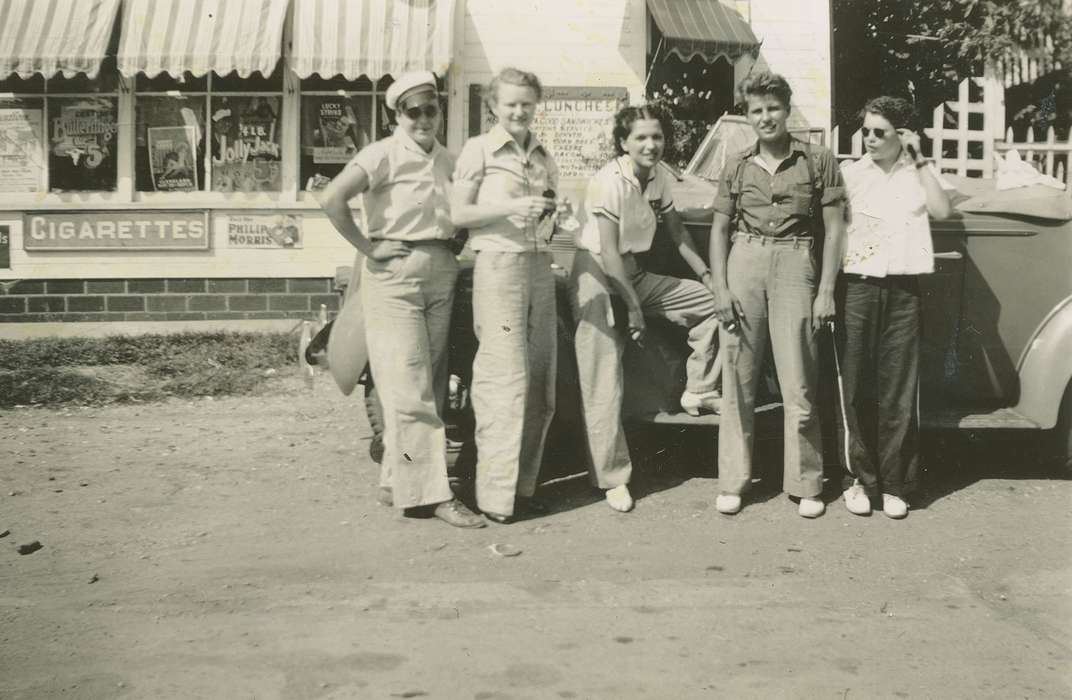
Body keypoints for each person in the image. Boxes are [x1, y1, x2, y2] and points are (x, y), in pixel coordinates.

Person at [319, 71, 485, 529]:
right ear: (397, 114)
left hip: (440, 273)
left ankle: (397, 479)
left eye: (431, 109)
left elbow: (462, 208)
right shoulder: (381, 155)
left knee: (426, 385)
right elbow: (331, 198)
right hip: (395, 278)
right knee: (409, 387)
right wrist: (369, 247)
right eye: (414, 111)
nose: (424, 119)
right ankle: (433, 494)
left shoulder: (447, 159)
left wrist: (457, 237)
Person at [570, 104, 722, 513]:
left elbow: (676, 232)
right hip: (598, 275)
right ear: (623, 142)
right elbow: (609, 251)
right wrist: (634, 309)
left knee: (713, 306)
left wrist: (708, 276)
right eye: (640, 137)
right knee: (604, 375)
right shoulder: (609, 182)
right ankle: (612, 478)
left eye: (656, 137)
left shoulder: (658, 177)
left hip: (633, 273)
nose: (651, 144)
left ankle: (699, 389)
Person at [708, 72, 846, 518]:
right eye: (756, 110)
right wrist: (721, 287)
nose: (765, 117)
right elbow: (719, 229)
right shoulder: (738, 162)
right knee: (739, 378)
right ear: (746, 115)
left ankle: (806, 482)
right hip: (744, 261)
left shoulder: (818, 159)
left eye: (773, 108)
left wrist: (826, 290)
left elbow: (835, 228)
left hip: (796, 262)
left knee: (799, 380)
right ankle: (733, 480)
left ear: (787, 110)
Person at [450, 67, 566, 524]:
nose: (519, 111)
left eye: (527, 104)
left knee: (540, 380)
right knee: (503, 379)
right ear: (493, 107)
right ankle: (494, 498)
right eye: (511, 104)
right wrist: (513, 207)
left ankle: (523, 488)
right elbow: (458, 212)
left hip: (538, 267)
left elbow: (550, 215)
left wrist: (553, 214)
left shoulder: (542, 154)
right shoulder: (479, 150)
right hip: (498, 266)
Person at [835, 96, 953, 519]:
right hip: (857, 289)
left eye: (879, 132)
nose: (869, 139)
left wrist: (919, 157)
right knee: (856, 386)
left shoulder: (918, 174)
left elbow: (941, 210)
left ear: (902, 135)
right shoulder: (851, 174)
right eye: (865, 131)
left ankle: (896, 485)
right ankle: (859, 482)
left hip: (903, 291)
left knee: (899, 390)